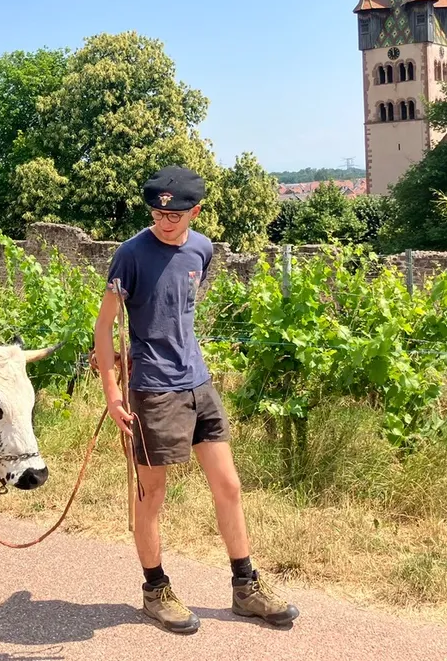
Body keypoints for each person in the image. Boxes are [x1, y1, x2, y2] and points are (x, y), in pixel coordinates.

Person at [92, 165, 300, 635]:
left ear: (195, 212)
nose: (165, 222)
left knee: (229, 486)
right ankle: (155, 589)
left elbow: (181, 308)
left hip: (198, 383)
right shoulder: (130, 254)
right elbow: (104, 326)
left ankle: (245, 587)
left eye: (176, 215)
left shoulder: (201, 250)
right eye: (157, 214)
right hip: (153, 389)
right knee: (152, 495)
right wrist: (111, 391)